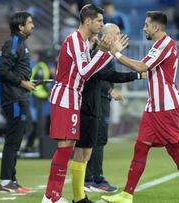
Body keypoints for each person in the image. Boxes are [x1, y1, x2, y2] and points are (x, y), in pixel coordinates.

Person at [101, 11, 179, 203]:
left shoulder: (165, 44)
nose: (144, 28)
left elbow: (142, 67)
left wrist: (115, 52)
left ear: (156, 27)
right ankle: (127, 194)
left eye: (147, 25)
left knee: (175, 150)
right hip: (154, 106)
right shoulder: (159, 45)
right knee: (141, 147)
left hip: (165, 106)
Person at [42, 4, 129, 203]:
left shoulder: (82, 43)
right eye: (99, 20)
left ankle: (53, 195)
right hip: (65, 97)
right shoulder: (74, 40)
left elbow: (87, 71)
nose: (102, 24)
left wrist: (105, 52)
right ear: (88, 21)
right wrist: (105, 52)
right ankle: (51, 196)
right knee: (65, 146)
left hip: (74, 98)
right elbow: (85, 72)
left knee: (68, 146)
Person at [84, 24, 140, 194]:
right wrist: (109, 89)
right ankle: (94, 179)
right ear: (106, 35)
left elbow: (107, 76)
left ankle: (92, 178)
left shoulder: (106, 54)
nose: (119, 36)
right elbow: (94, 77)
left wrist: (136, 74)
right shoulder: (99, 54)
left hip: (102, 100)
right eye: (116, 33)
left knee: (98, 140)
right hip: (97, 101)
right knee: (97, 140)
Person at [0, 11, 35, 193]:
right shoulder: (12, 43)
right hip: (13, 98)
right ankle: (5, 181)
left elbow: (13, 70)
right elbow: (2, 70)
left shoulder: (20, 44)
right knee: (13, 139)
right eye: (29, 22)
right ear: (20, 26)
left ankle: (11, 179)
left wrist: (26, 82)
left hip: (19, 96)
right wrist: (22, 83)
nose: (32, 25)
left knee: (17, 138)